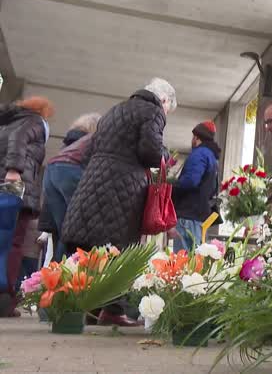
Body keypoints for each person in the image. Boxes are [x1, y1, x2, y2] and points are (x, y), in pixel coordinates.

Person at [61, 78, 176, 326]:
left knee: (91, 244)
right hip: (124, 184)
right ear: (164, 100)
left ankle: (87, 307)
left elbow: (92, 149)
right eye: (168, 109)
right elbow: (150, 151)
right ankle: (113, 310)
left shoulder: (115, 110)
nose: (165, 113)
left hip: (94, 177)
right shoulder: (153, 111)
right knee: (119, 247)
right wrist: (165, 155)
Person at [0, 96, 52, 318]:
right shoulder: (34, 122)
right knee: (13, 243)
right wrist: (14, 170)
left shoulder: (8, 123)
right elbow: (20, 140)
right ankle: (5, 299)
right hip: (14, 187)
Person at [39, 113, 102, 262]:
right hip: (72, 170)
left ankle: (56, 274)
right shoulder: (92, 140)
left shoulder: (68, 142)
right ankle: (66, 273)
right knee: (72, 231)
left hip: (52, 170)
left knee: (62, 232)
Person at [171, 121, 221, 252]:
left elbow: (191, 181)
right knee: (194, 261)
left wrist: (171, 185)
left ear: (197, 138)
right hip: (198, 216)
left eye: (193, 137)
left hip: (188, 215)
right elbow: (214, 188)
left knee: (183, 262)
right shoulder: (212, 157)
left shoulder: (199, 154)